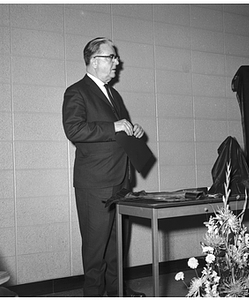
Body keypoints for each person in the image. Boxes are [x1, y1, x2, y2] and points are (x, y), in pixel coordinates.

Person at [62, 37, 146, 297]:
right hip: (95, 183)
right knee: (96, 249)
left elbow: (119, 130)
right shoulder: (76, 92)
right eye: (112, 57)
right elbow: (73, 129)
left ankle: (117, 292)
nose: (117, 62)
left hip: (121, 180)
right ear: (94, 61)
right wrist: (114, 127)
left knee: (116, 246)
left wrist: (133, 131)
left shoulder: (114, 94)